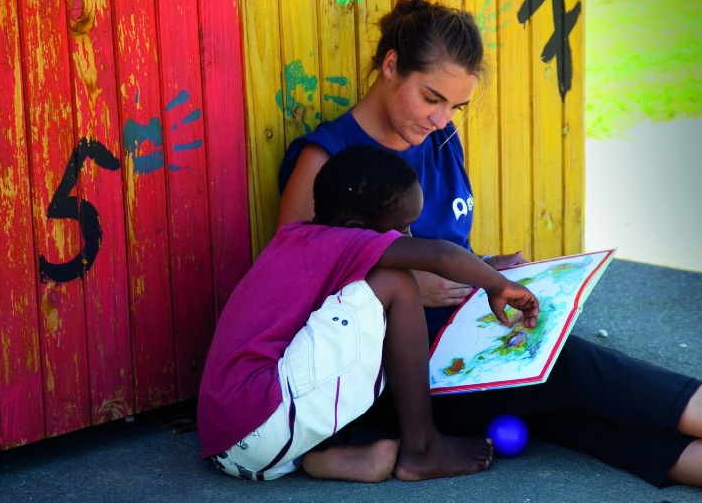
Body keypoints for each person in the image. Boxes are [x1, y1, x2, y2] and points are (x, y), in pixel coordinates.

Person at [274, 0, 702, 502]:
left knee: (561, 406)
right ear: (390, 66)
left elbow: (435, 242)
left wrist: (487, 269)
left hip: (459, 332)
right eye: (431, 97)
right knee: (570, 368)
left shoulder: (438, 138)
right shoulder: (325, 160)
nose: (441, 118)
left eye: (456, 105)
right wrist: (414, 289)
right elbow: (292, 286)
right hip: (392, 375)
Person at [197, 145, 539, 482]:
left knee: (350, 309)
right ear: (355, 225)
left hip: (231, 439)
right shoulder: (342, 241)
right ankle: (423, 449)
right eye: (401, 229)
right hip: (263, 423)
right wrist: (499, 286)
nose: (408, 238)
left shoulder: (297, 241)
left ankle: (324, 456)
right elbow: (440, 256)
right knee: (396, 282)